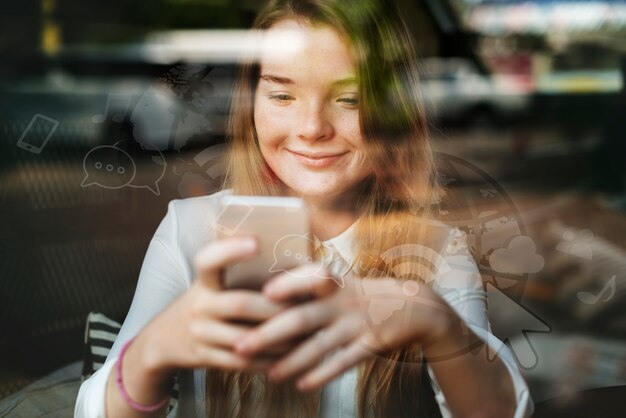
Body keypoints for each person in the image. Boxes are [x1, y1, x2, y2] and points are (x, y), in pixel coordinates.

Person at [75, 0, 532, 417]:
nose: (312, 127)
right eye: (281, 96)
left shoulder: (436, 248)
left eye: (349, 98)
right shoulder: (190, 228)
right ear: (251, 104)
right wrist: (152, 352)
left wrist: (439, 326)